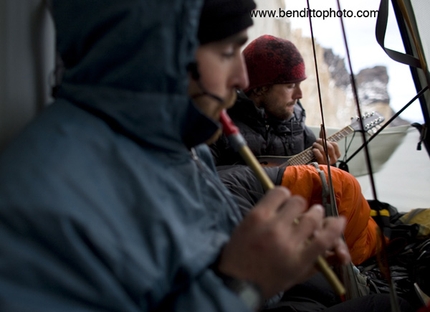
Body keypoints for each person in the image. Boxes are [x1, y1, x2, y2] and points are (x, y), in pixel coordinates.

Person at [0, 1, 412, 312]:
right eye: (228, 51)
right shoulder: (37, 211)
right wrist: (242, 286)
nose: (243, 79)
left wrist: (285, 262)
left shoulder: (182, 145)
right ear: (161, 54)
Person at [210, 34, 341, 167]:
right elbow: (203, 182)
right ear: (259, 89)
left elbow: (321, 187)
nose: (299, 95)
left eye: (299, 85)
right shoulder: (217, 129)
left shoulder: (301, 131)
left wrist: (327, 170)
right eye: (290, 86)